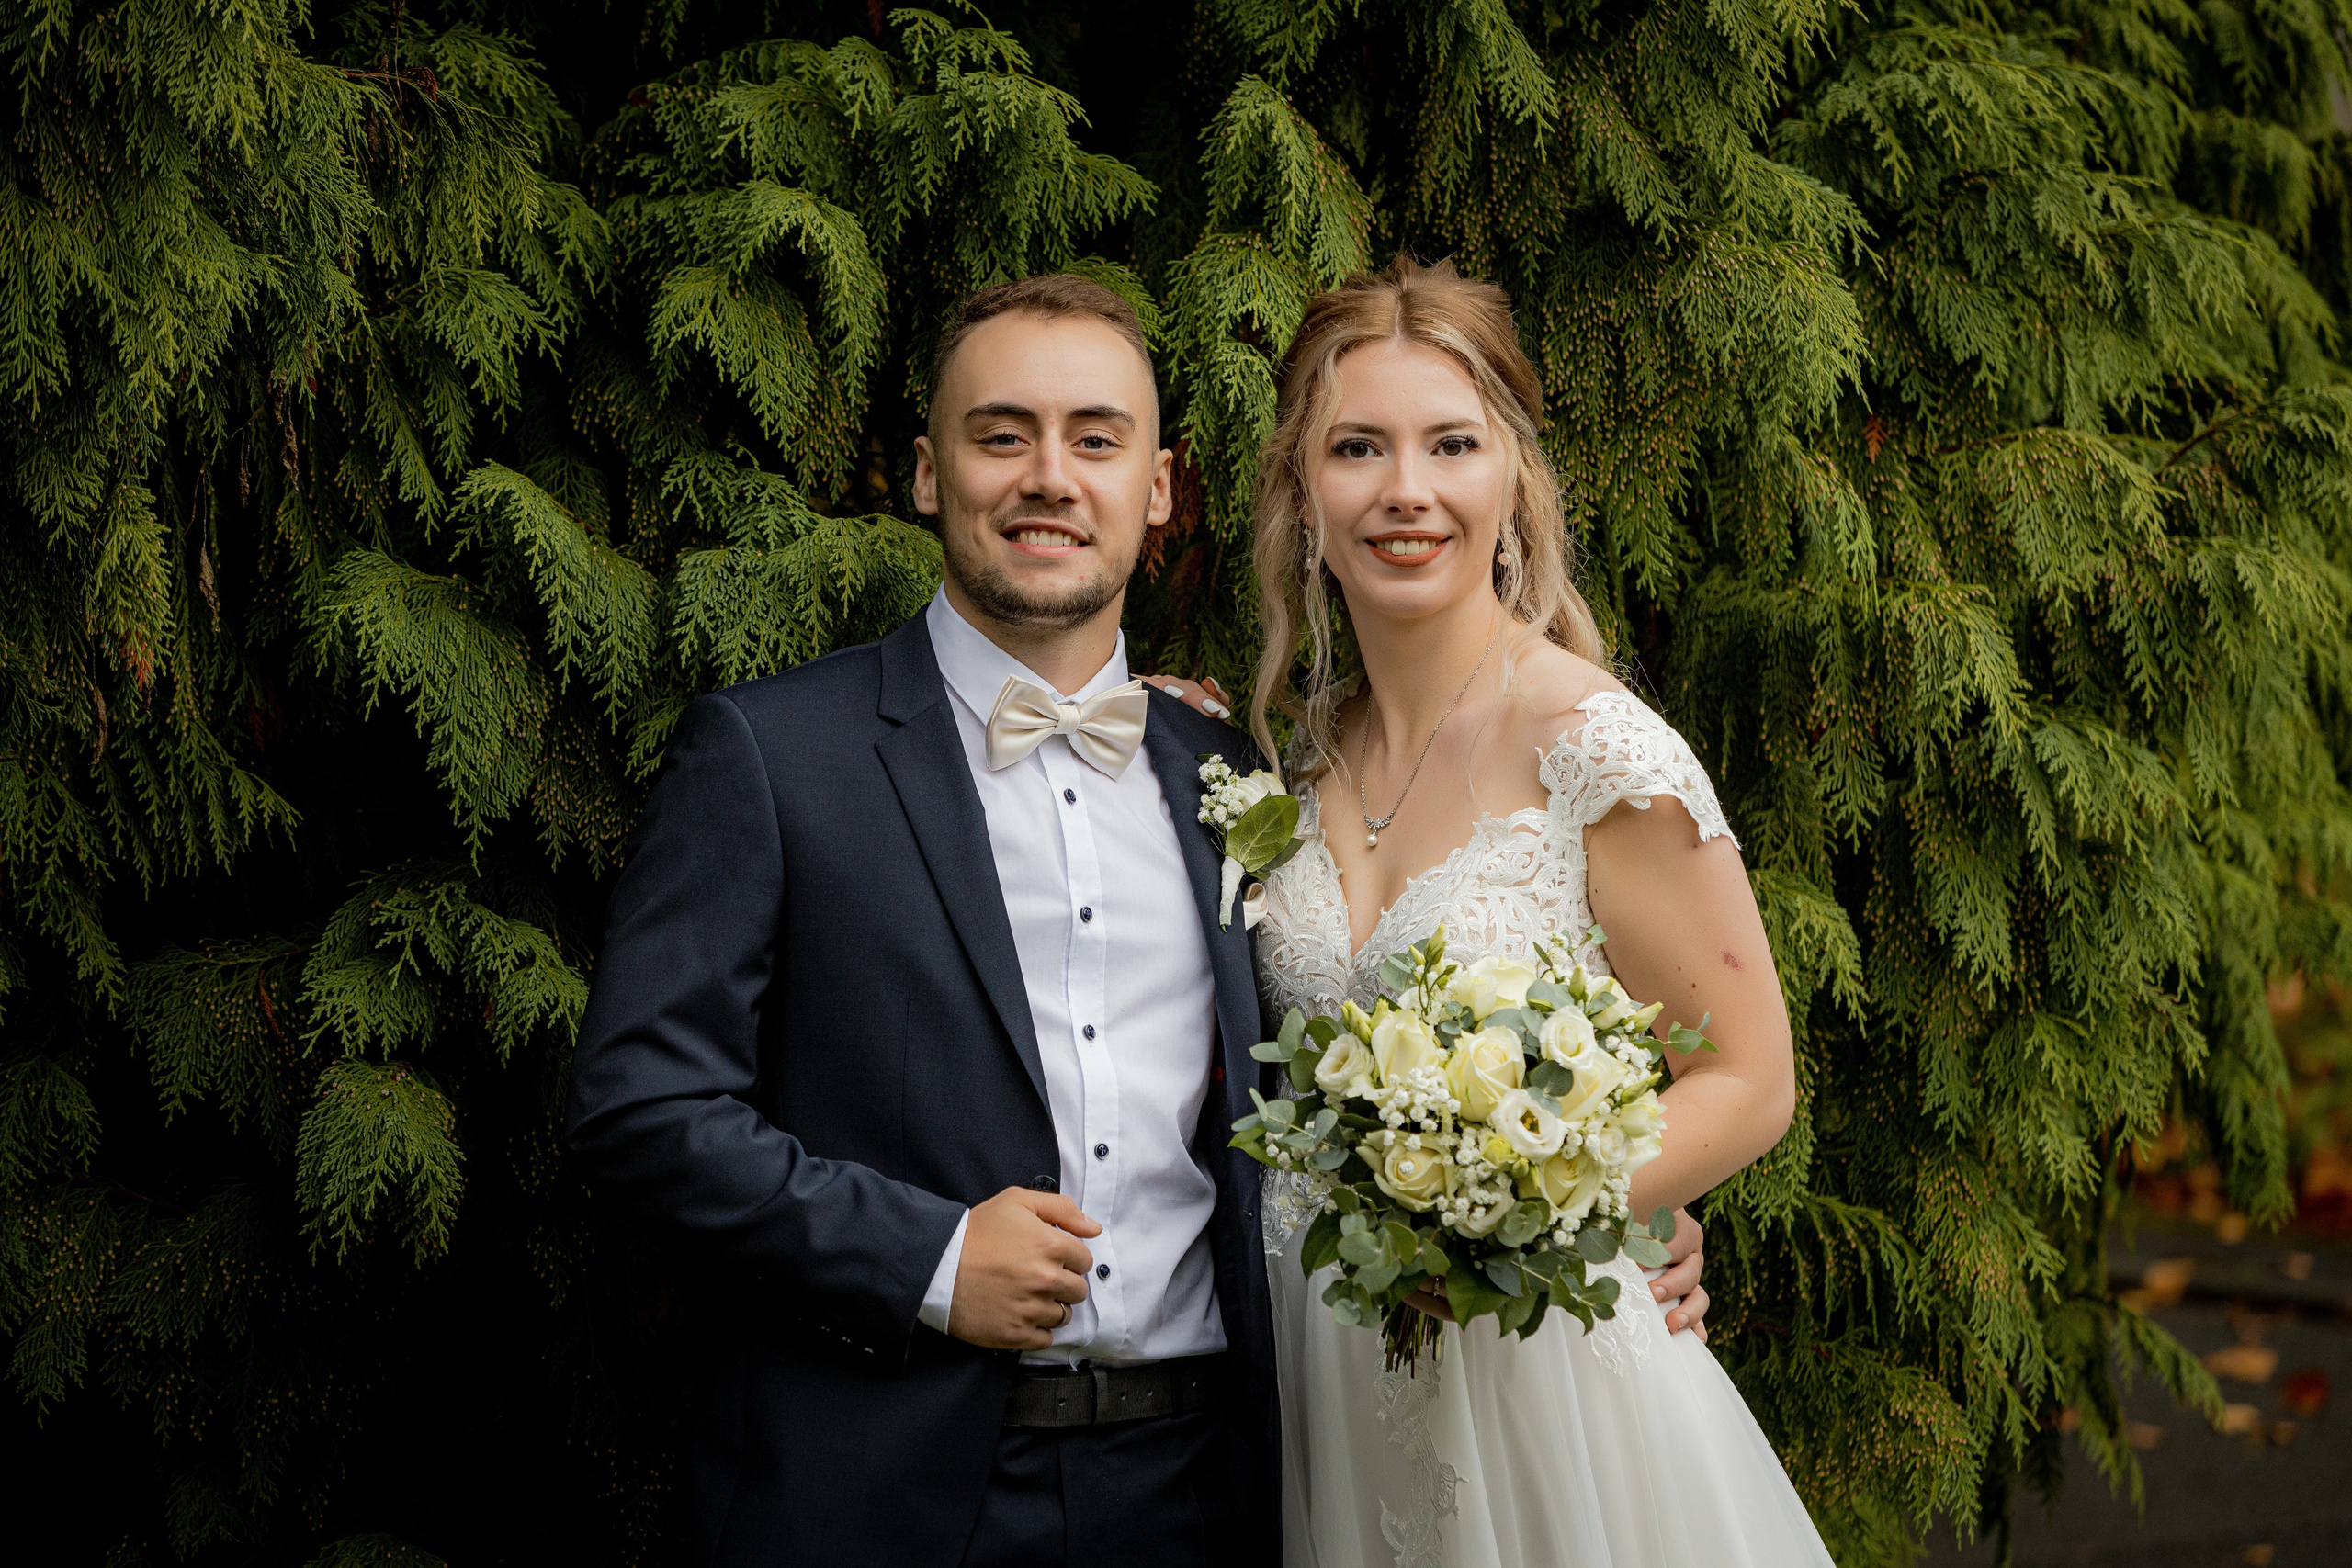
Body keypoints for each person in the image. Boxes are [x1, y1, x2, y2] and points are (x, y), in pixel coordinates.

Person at [567, 270, 1710, 1567]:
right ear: (930, 474)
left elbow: (1370, 1050)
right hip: (880, 1498)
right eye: (1002, 435)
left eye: (1096, 440)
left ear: (1158, 489)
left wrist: (1587, 1206)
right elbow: (638, 1109)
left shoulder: (1233, 776)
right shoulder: (775, 756)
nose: (1050, 477)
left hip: (1210, 1494)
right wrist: (927, 1257)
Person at [1227, 255, 1831, 1566]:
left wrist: (1511, 1215)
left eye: (1452, 444)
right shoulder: (1291, 766)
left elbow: (1749, 1078)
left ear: (1513, 481)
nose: (1407, 490)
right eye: (1357, 448)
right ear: (1301, 492)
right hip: (1319, 1374)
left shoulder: (1595, 751)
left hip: (1537, 1379)